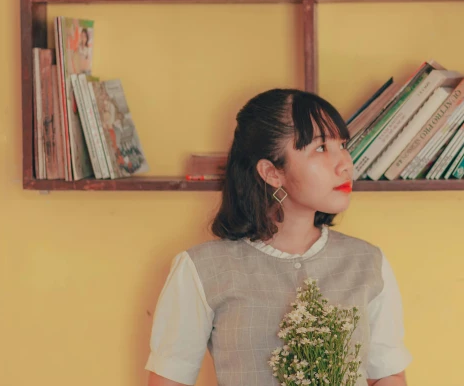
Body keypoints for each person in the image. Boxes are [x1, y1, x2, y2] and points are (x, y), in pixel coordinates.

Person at [145, 88, 412, 386]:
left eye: (343, 145)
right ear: (272, 172)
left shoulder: (368, 262)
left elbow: (387, 374)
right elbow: (171, 379)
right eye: (322, 148)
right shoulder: (201, 270)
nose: (345, 164)